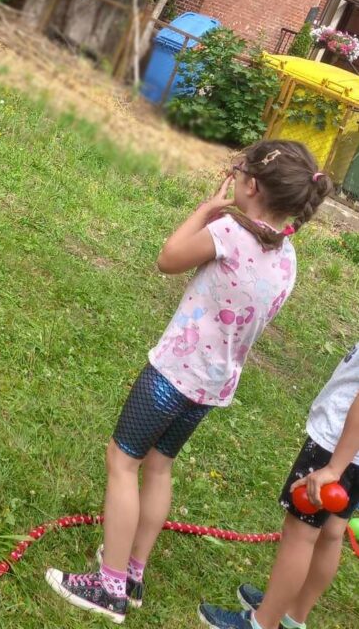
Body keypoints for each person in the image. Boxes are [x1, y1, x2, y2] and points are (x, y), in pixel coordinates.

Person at [44, 140, 332, 624]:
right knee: (158, 466)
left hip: (173, 374)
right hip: (212, 385)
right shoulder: (287, 257)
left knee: (123, 461)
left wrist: (204, 209)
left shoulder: (226, 233)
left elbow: (168, 257)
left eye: (239, 171)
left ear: (252, 185)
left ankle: (109, 586)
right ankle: (133, 573)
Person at [198, 343, 359, 629]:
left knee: (300, 532)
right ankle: (293, 614)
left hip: (336, 446)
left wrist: (334, 468)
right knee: (331, 533)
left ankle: (263, 622)